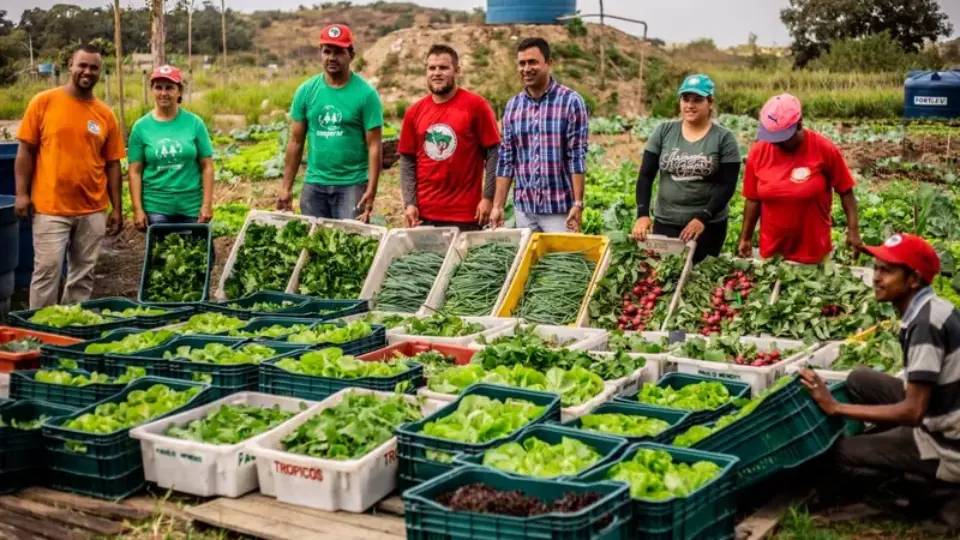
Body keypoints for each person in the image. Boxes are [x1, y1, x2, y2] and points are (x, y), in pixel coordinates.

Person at [801, 233, 959, 524]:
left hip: (947, 441)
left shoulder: (925, 325)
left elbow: (912, 412)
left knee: (840, 453)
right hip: (944, 411)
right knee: (860, 379)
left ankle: (897, 496)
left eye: (886, 271)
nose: (876, 277)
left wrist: (836, 408)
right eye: (876, 269)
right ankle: (896, 454)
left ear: (913, 280)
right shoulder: (931, 308)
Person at [14, 43, 125, 309]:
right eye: (82, 65)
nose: (87, 71)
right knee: (47, 272)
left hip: (93, 209)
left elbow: (112, 164)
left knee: (83, 275)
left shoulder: (105, 114)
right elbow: (25, 151)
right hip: (51, 206)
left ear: (100, 72)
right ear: (70, 67)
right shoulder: (44, 102)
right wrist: (21, 194)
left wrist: (117, 209)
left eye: (94, 67)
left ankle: (70, 327)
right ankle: (39, 332)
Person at [738, 93, 862, 263]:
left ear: (799, 124)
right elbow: (753, 199)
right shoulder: (759, 152)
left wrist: (853, 230)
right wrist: (746, 238)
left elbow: (846, 191)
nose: (776, 143)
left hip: (814, 252)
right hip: (772, 252)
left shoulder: (823, 149)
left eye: (781, 138)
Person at [278, 24, 384, 222]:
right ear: (320, 53)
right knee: (314, 245)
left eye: (338, 52)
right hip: (314, 184)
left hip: (352, 185)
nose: (331, 58)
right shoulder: (306, 91)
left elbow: (374, 146)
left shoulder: (366, 95)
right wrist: (286, 187)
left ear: (351, 55)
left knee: (350, 245)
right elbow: (295, 142)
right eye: (327, 51)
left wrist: (372, 189)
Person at [632, 74, 741, 263]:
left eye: (698, 100)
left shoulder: (724, 138)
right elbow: (646, 175)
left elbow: (728, 185)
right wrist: (642, 214)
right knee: (666, 277)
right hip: (666, 221)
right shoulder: (664, 131)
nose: (690, 105)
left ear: (710, 102)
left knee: (700, 278)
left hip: (707, 226)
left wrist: (703, 217)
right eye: (685, 99)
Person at [490, 37, 588, 233]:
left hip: (559, 210)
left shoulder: (570, 102)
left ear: (548, 63)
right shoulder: (513, 106)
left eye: (533, 62)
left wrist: (577, 203)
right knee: (528, 261)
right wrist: (497, 206)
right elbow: (507, 159)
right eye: (522, 63)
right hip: (524, 210)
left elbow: (576, 156)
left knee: (559, 262)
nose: (527, 68)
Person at [398, 45, 501, 231]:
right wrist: (409, 203)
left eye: (443, 68)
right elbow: (407, 161)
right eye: (431, 68)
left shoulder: (476, 106)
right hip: (424, 214)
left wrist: (488, 198)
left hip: (467, 214)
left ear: (457, 71)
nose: (437, 73)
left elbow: (494, 154)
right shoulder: (414, 112)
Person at [128, 65, 214, 229]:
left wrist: (206, 204)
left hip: (191, 207)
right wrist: (138, 209)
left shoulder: (195, 123)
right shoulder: (141, 127)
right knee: (161, 253)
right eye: (158, 87)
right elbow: (134, 171)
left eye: (169, 88)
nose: (163, 93)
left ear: (179, 91)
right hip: (156, 208)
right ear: (152, 90)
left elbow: (207, 166)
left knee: (199, 253)